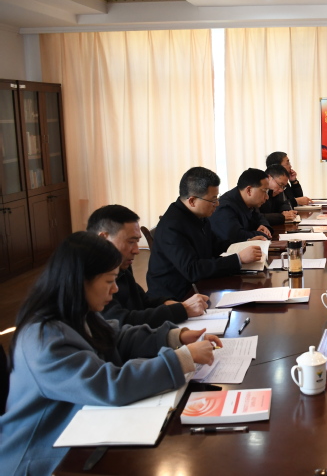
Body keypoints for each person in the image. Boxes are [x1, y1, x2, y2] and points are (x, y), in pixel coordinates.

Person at [0, 232, 221, 476]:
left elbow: (117, 336)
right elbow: (107, 385)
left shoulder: (76, 312)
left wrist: (175, 337)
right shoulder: (43, 338)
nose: (115, 289)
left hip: (80, 433)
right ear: (80, 281)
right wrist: (182, 358)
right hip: (39, 458)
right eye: (109, 281)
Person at [147, 166, 262, 299]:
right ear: (192, 201)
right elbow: (193, 269)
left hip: (199, 287)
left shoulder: (199, 216)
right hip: (175, 297)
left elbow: (216, 245)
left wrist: (245, 244)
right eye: (213, 200)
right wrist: (238, 259)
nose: (217, 204)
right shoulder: (172, 226)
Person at [87, 205, 210, 328]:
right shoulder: (90, 276)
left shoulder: (119, 265)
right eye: (130, 242)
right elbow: (121, 322)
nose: (136, 250)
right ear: (103, 238)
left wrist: (171, 304)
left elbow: (143, 302)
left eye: (137, 242)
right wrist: (182, 310)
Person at [210, 168, 273, 243]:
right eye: (264, 191)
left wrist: (264, 225)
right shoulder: (225, 207)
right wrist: (263, 234)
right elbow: (236, 237)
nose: (267, 197)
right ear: (249, 190)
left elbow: (259, 217)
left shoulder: (249, 203)